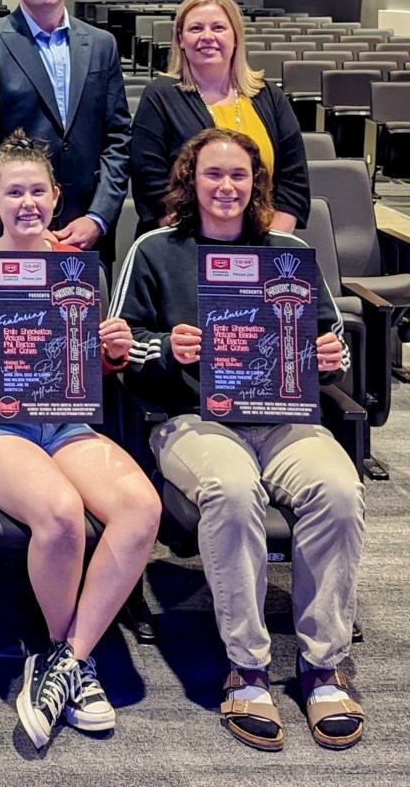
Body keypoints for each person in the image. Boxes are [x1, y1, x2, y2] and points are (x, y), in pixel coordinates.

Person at [111, 128, 364, 752]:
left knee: (338, 488)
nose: (227, 187)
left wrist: (331, 355)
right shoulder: (154, 250)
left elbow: (333, 339)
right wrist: (164, 350)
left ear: (256, 184)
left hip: (284, 417)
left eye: (239, 176)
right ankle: (247, 667)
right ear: (190, 181)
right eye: (213, 175)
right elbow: (118, 349)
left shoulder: (286, 249)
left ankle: (321, 664)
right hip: (192, 420)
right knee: (231, 488)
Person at [0, 130, 160, 749]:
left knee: (141, 508)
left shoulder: (78, 268)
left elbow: (95, 363)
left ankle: (64, 661)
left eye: (38, 191)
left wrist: (113, 353)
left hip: (63, 417)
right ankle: (71, 661)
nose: (26, 202)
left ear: (56, 198)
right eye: (13, 192)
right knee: (61, 514)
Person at [0, 0, 131, 255]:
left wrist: (98, 217)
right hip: (11, 232)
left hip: (85, 231)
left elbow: (118, 140)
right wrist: (27, 221)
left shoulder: (101, 45)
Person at [130, 0, 309, 236]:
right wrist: (203, 245)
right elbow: (150, 183)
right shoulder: (160, 96)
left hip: (264, 241)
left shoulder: (269, 95)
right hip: (184, 241)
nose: (207, 37)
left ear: (236, 37)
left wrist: (270, 242)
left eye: (218, 28)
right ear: (180, 39)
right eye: (195, 29)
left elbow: (293, 180)